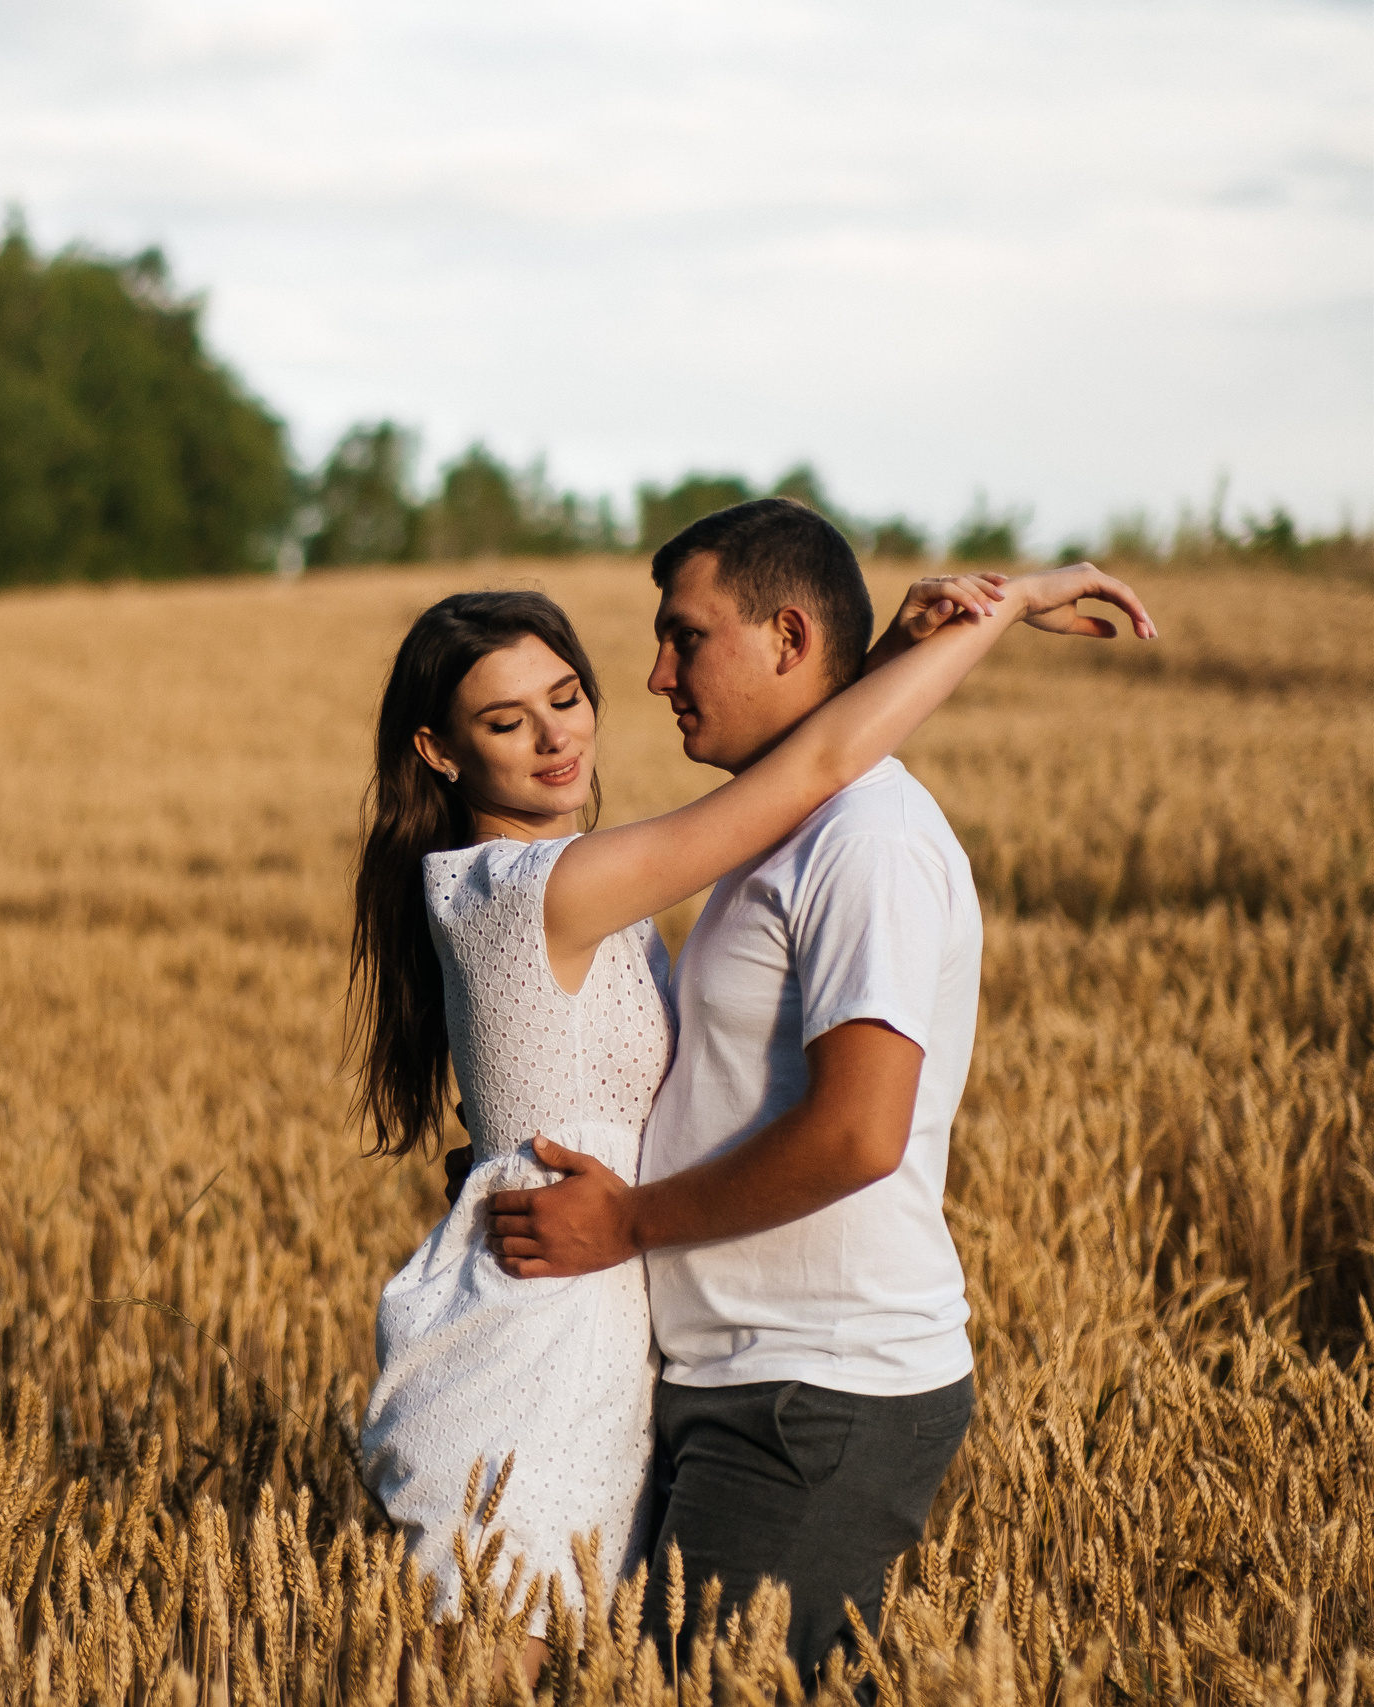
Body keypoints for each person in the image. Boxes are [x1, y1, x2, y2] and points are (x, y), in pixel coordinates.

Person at [474, 499, 1157, 1680]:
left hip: (812, 1392)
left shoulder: (867, 844)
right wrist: (909, 647)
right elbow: (823, 751)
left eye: (684, 637)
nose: (654, 674)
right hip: (740, 1378)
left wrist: (626, 1223)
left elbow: (856, 1133)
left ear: (785, 639)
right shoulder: (783, 825)